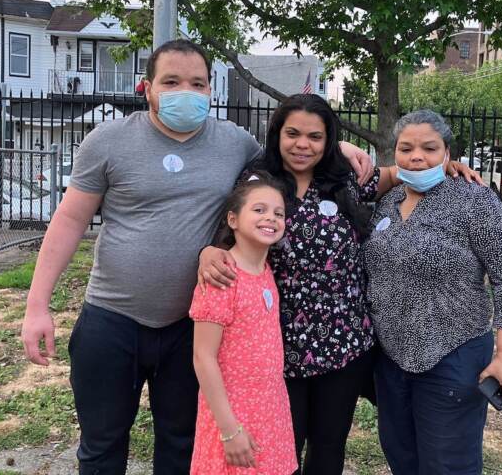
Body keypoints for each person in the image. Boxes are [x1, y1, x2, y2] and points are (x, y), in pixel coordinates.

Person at [20, 39, 373, 475]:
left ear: (210, 91)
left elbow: (290, 154)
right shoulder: (108, 140)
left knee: (181, 445)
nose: (184, 91)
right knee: (101, 445)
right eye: (171, 81)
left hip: (190, 328)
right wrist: (38, 306)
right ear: (145, 87)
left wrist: (338, 148)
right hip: (112, 320)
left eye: (197, 83)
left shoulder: (233, 143)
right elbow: (70, 219)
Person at [199, 96, 482, 475]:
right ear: (276, 135)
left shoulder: (346, 178)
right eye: (293, 134)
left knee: (329, 447)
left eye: (315, 136)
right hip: (281, 347)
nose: (303, 145)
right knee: (281, 447)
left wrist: (445, 165)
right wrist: (208, 252)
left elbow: (398, 173)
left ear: (329, 139)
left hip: (344, 343)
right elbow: (233, 227)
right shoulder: (257, 182)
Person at [362, 110, 502, 475]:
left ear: (448, 153)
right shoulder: (387, 203)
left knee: (447, 464)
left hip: (454, 356)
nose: (417, 156)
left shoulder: (475, 201)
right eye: (406, 149)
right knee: (401, 455)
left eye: (429, 148)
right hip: (391, 358)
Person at [190, 173, 297, 475]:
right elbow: (203, 356)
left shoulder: (265, 272)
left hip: (270, 411)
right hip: (231, 416)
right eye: (259, 210)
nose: (271, 218)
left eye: (279, 213)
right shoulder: (222, 277)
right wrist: (229, 430)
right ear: (233, 220)